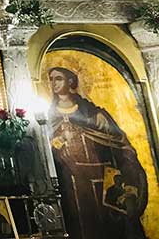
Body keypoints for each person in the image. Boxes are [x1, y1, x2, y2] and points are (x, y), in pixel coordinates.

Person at [48, 66, 147, 239]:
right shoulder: (50, 117)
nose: (53, 83)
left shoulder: (95, 115)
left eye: (58, 78)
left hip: (104, 179)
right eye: (51, 79)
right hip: (74, 184)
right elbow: (47, 152)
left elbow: (121, 146)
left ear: (70, 81)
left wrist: (129, 184)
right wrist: (61, 140)